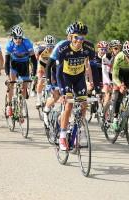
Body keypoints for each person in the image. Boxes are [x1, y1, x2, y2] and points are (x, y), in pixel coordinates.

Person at [56, 21, 95, 150]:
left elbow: (91, 65)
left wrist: (91, 81)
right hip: (65, 77)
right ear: (70, 37)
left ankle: (78, 131)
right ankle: (62, 136)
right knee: (69, 104)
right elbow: (58, 71)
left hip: (79, 77)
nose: (79, 40)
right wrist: (62, 93)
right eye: (76, 37)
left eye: (82, 38)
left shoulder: (89, 48)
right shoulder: (63, 49)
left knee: (84, 104)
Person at [4, 25, 37, 116]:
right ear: (12, 37)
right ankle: (9, 105)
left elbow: (34, 60)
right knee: (11, 84)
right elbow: (6, 62)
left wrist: (33, 75)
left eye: (20, 38)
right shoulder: (9, 45)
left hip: (24, 65)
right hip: (14, 65)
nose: (18, 40)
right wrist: (7, 76)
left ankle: (20, 109)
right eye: (16, 38)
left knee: (24, 87)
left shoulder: (27, 43)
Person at [36, 35, 56, 107]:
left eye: (52, 46)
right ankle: (38, 99)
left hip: (51, 65)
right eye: (48, 46)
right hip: (42, 65)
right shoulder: (41, 50)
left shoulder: (56, 50)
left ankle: (51, 97)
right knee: (41, 80)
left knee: (53, 80)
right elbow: (37, 61)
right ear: (45, 45)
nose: (50, 48)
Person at [101, 40, 122, 107]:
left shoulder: (121, 56)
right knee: (108, 93)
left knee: (119, 92)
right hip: (108, 74)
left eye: (119, 48)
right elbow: (104, 71)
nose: (118, 50)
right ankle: (104, 113)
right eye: (115, 48)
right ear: (111, 49)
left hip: (116, 74)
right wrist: (109, 81)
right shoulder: (106, 57)